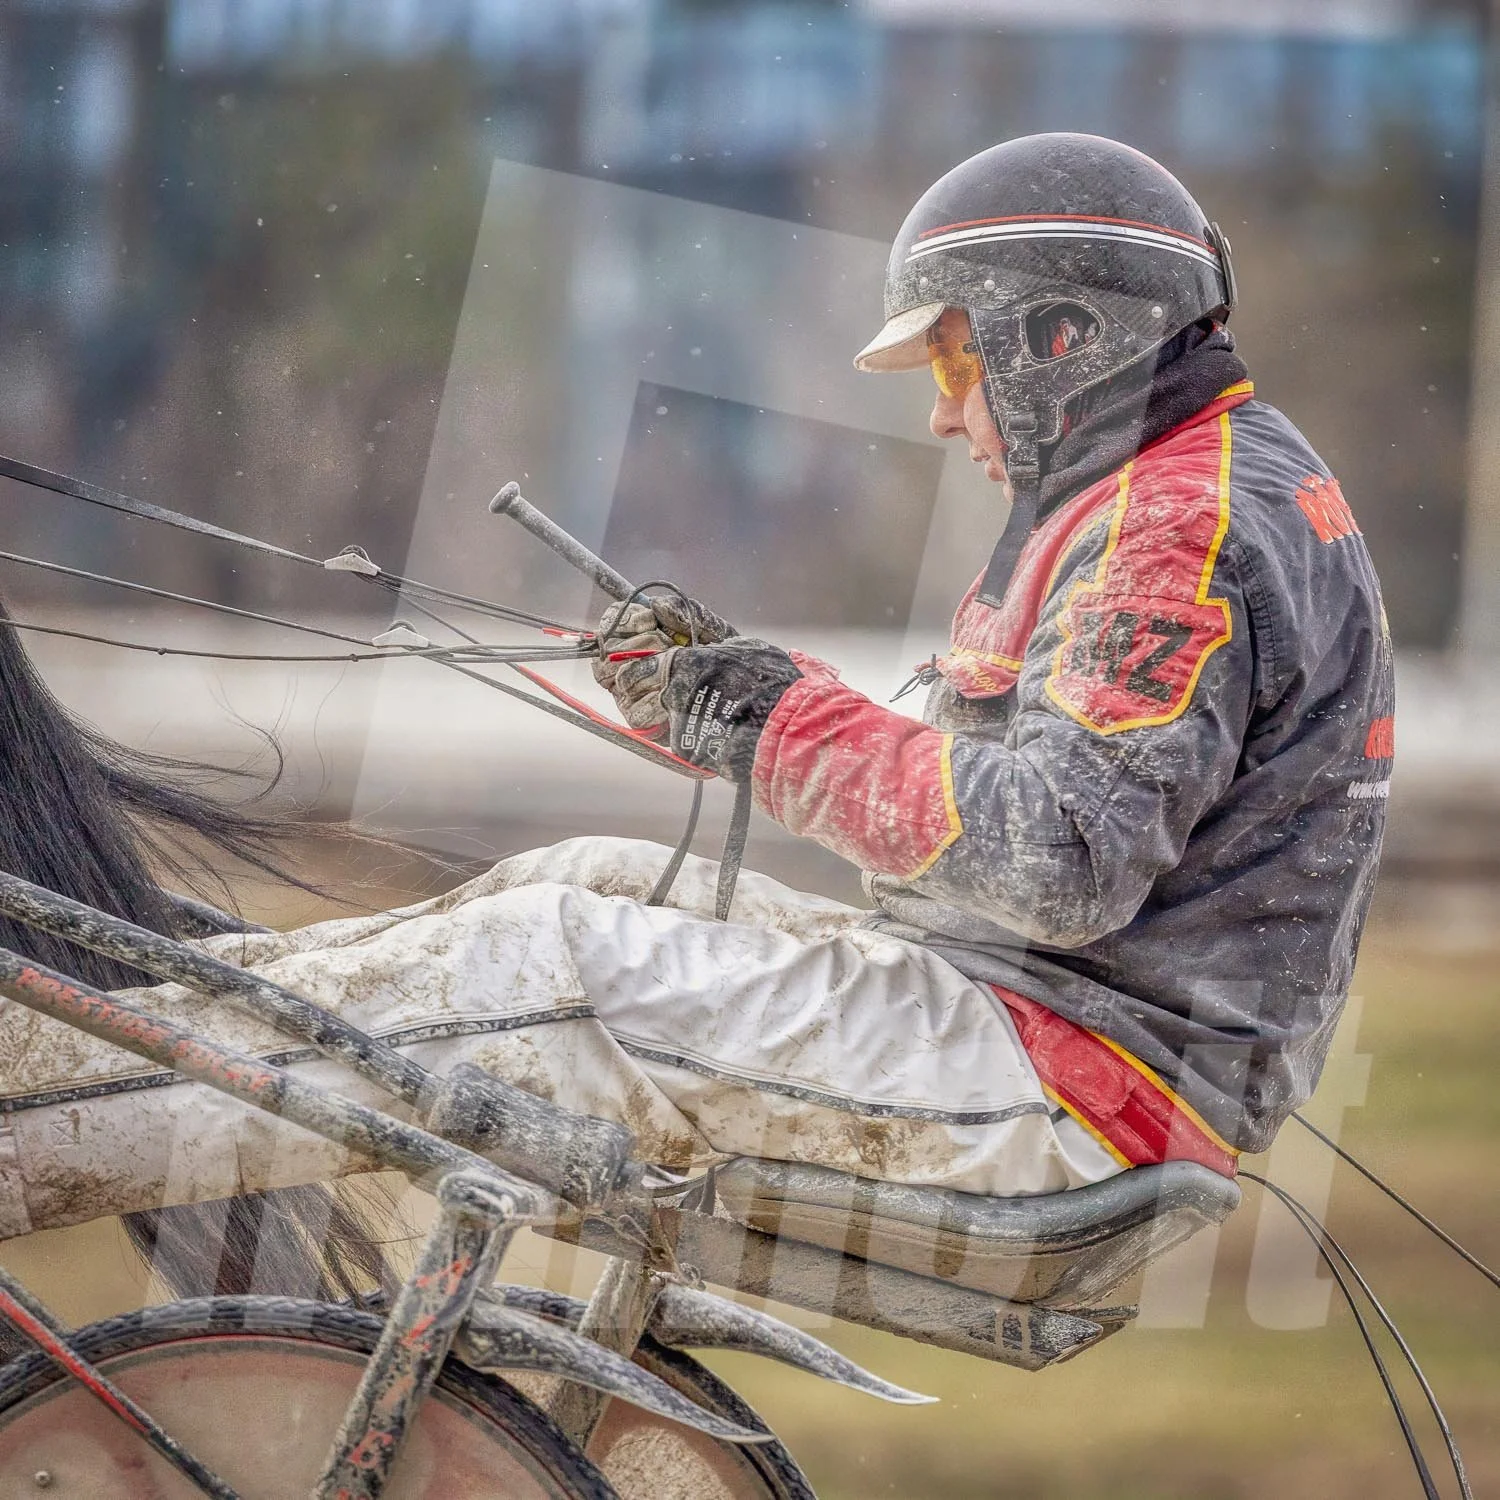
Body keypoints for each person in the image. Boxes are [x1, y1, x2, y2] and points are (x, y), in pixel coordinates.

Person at [0, 134, 1392, 1245]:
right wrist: (740, 704)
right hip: (1050, 1032)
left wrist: (776, 719)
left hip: (1065, 1077)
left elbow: (1050, 861)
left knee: (538, 965)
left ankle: (49, 1125)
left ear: (1055, 339)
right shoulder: (1181, 490)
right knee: (596, 879)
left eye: (956, 357)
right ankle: (181, 1010)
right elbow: (1015, 814)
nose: (942, 409)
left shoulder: (1174, 525)